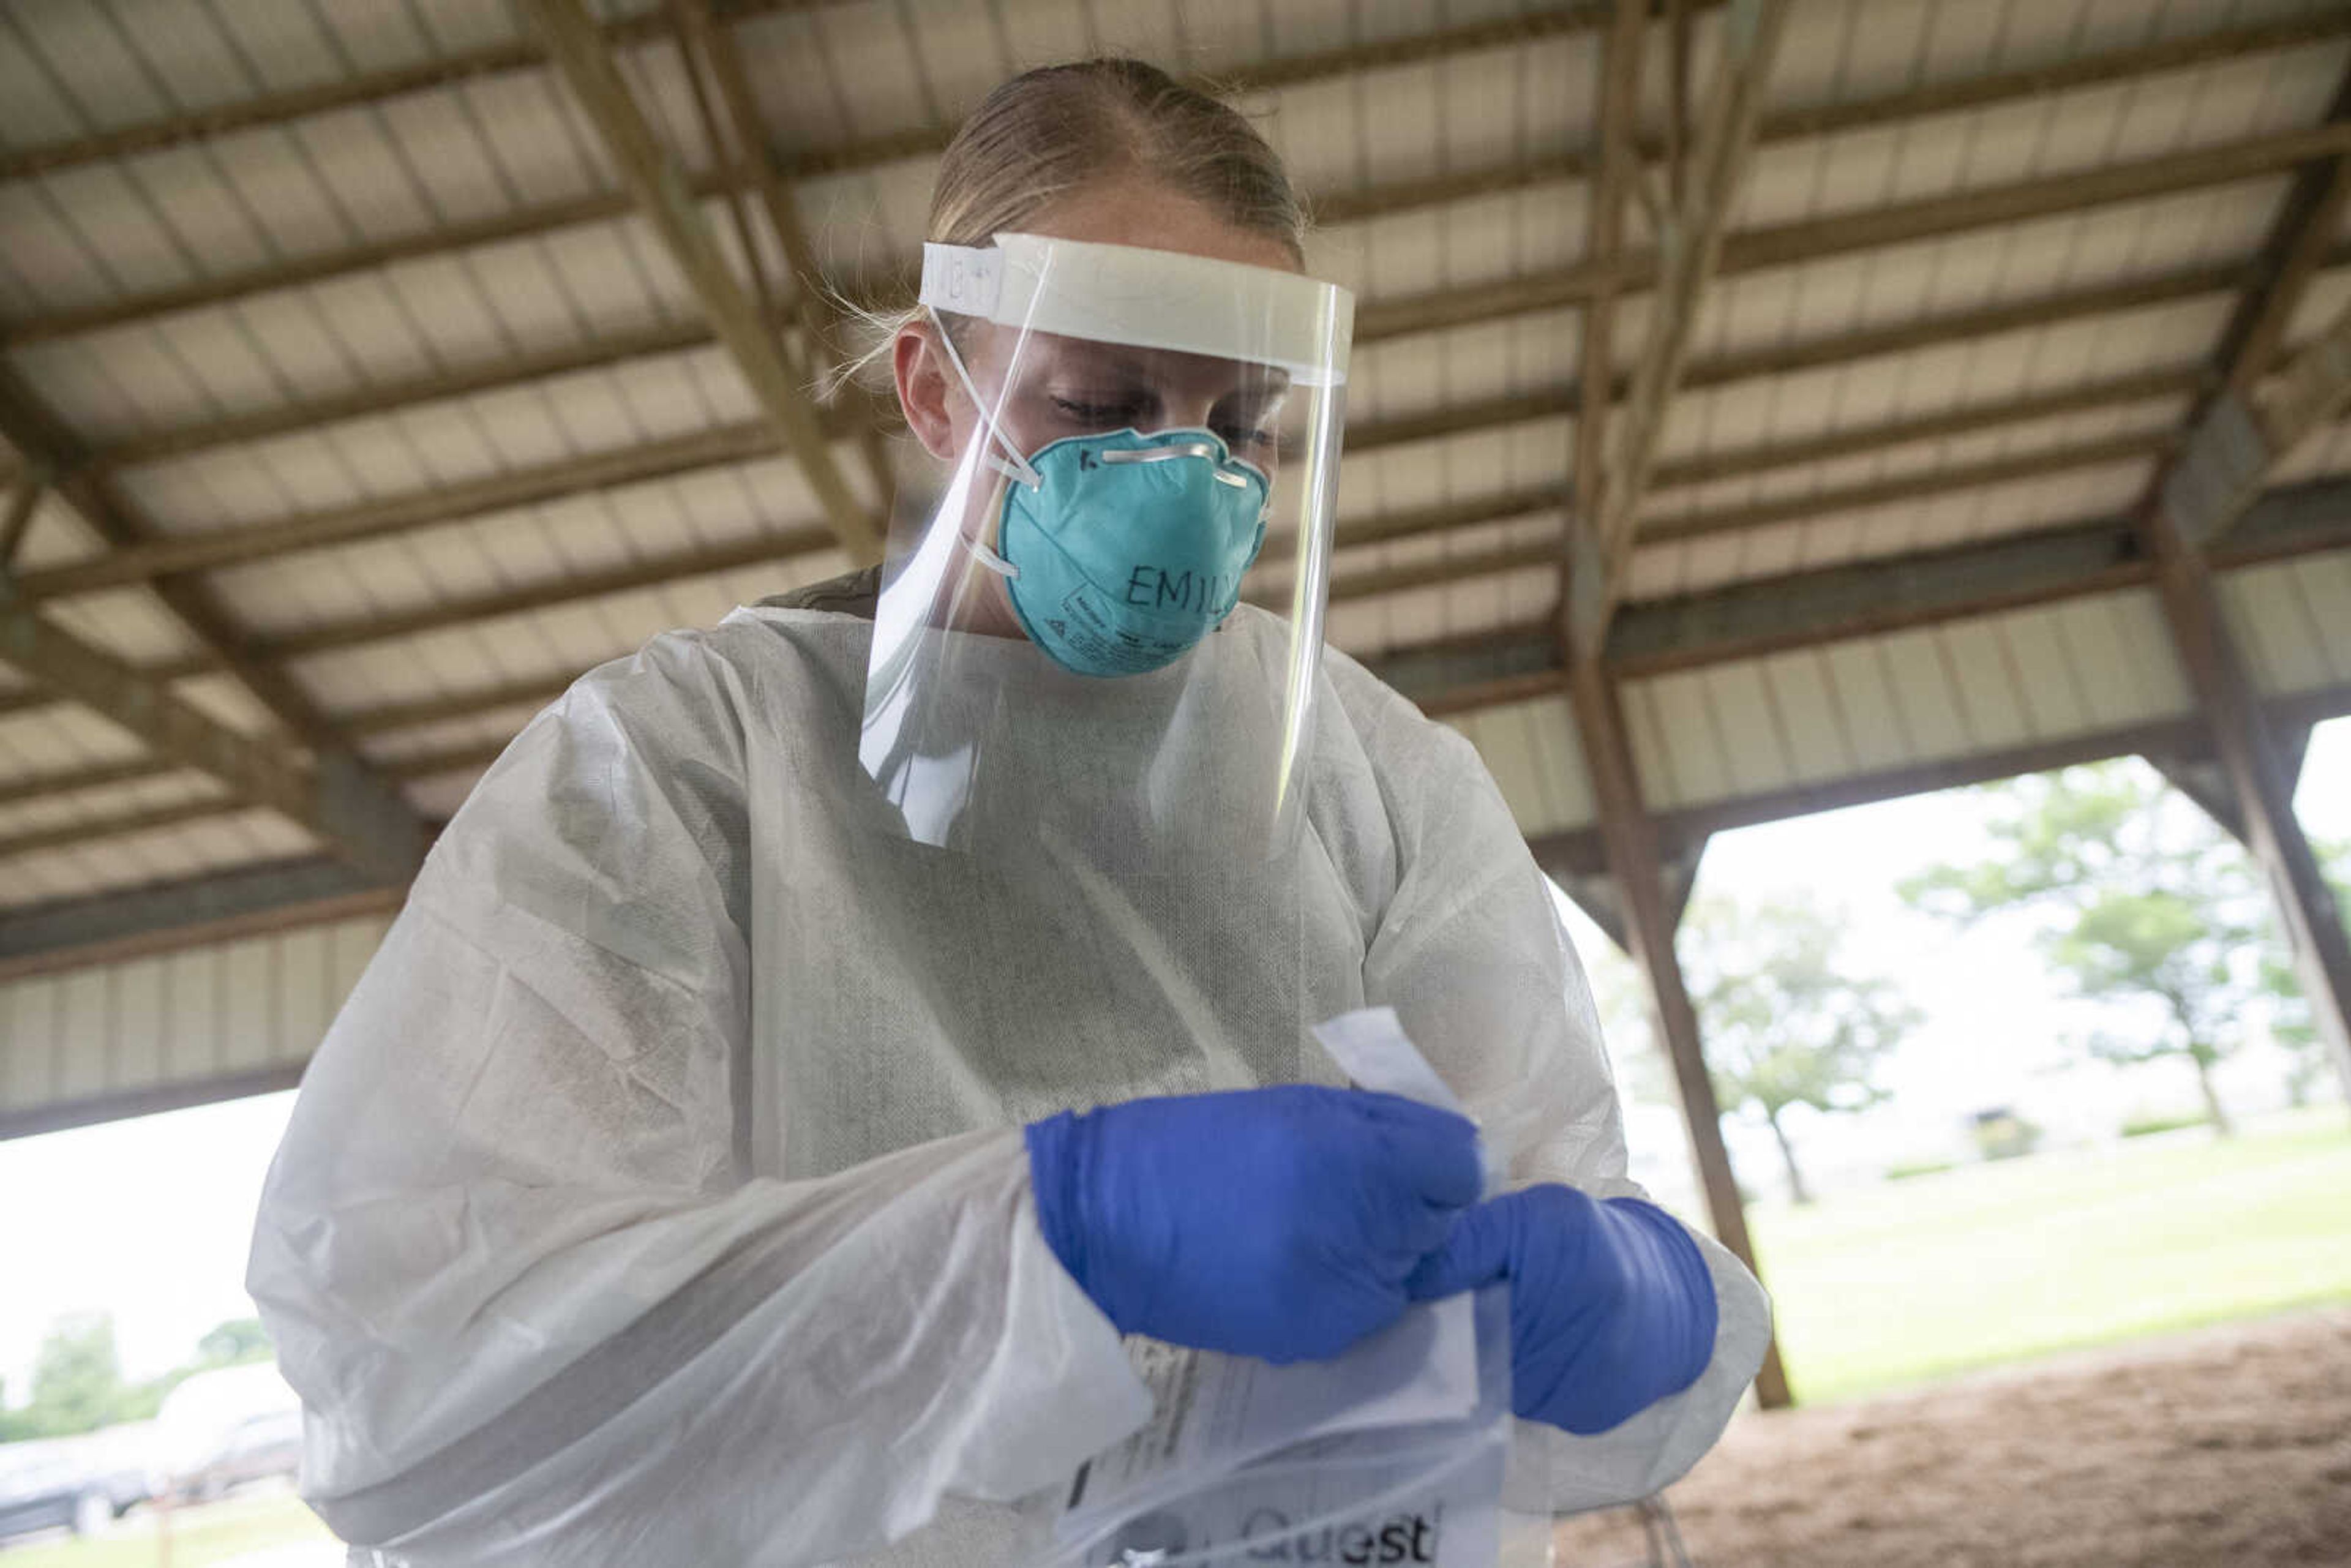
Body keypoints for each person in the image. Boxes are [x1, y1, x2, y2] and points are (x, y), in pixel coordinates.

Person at [247, 59, 1769, 1568]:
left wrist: (1645, 1304)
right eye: (1101, 405)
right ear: (932, 386)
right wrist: (1046, 1238)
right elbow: (425, 1375)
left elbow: (1534, 1216)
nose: (1183, 485)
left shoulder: (1367, 770)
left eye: (1242, 429)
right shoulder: (684, 770)